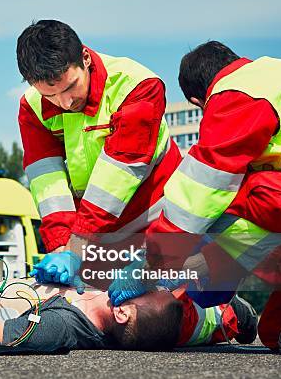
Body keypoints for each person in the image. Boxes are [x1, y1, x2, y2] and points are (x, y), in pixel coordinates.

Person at [119, 41, 281, 353]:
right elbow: (257, 227)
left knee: (247, 191)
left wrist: (151, 263)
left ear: (199, 101)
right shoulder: (276, 75)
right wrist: (205, 270)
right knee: (277, 332)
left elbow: (200, 193)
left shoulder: (237, 93)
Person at [16, 20, 181, 291]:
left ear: (85, 58)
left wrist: (77, 246)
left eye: (70, 87)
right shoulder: (32, 107)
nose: (65, 103)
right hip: (97, 229)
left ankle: (229, 315)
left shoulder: (137, 87)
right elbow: (48, 185)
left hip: (158, 219)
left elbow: (117, 178)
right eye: (51, 95)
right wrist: (60, 247)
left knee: (157, 308)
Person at [0, 278, 257, 351]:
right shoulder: (108, 286)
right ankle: (229, 318)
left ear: (123, 314)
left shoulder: (62, 328)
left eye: (153, 294)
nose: (155, 285)